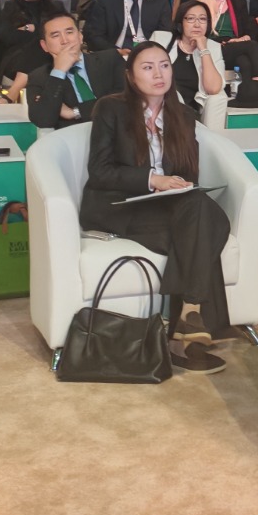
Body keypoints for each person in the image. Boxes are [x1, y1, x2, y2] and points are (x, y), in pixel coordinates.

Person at [81, 42, 236, 374]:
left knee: (203, 213)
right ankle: (191, 323)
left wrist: (178, 185)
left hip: (162, 207)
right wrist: (153, 179)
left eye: (164, 65)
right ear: (130, 76)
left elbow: (189, 173)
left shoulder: (183, 115)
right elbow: (100, 172)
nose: (158, 74)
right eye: (147, 67)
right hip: (118, 206)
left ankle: (187, 319)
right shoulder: (110, 109)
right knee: (206, 227)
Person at [25, 12, 127, 128]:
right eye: (55, 35)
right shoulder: (39, 77)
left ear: (80, 36)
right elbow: (42, 120)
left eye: (69, 32)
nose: (65, 41)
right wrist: (59, 71)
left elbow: (125, 101)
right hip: (71, 137)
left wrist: (75, 112)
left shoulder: (111, 60)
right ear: (44, 46)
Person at [166, 0, 226, 112]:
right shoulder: (164, 41)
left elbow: (213, 89)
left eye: (202, 19)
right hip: (165, 108)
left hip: (191, 113)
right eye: (191, 19)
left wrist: (203, 49)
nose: (197, 24)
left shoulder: (213, 48)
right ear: (180, 23)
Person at [0, 0, 52, 81]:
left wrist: (31, 28)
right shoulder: (10, 8)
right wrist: (41, 32)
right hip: (17, 59)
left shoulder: (55, 8)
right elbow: (8, 37)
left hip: (48, 57)